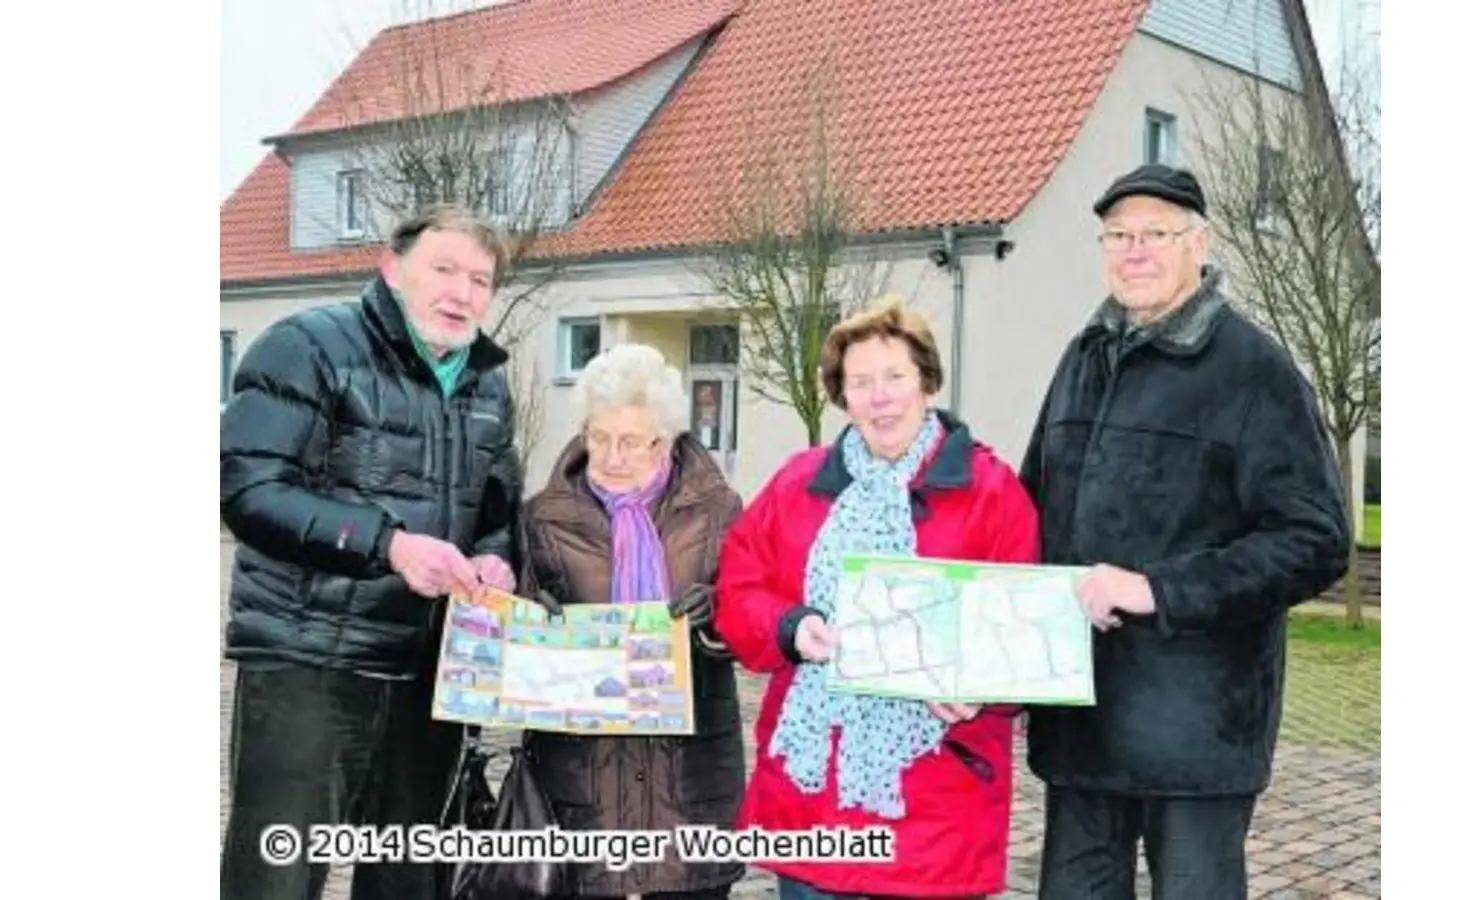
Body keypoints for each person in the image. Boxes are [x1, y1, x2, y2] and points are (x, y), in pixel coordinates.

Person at [1017, 163, 1352, 899]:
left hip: (1197, 735)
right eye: (1118, 235)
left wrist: (1157, 590)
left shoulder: (1253, 370)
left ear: (1198, 243)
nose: (1134, 250)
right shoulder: (1084, 357)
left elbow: (1315, 537)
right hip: (1082, 728)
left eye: (1155, 234)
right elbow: (1028, 513)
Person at [219, 204, 521, 900]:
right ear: (392, 269)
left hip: (432, 674)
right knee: (277, 875)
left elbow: (497, 508)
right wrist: (387, 546)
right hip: (311, 662)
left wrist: (497, 558)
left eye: (480, 279)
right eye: (443, 269)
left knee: (410, 879)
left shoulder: (487, 381)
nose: (462, 292)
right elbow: (248, 491)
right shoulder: (307, 347)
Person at [715, 295, 1041, 899]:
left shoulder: (990, 492)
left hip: (935, 796)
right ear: (843, 395)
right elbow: (738, 589)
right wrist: (790, 626)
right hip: (813, 799)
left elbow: (1024, 629)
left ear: (926, 381)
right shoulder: (797, 483)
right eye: (860, 381)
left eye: (894, 376)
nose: (879, 396)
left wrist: (980, 687)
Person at [518, 342, 747, 899]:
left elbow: (752, 618)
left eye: (630, 442)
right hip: (581, 779)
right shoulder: (543, 517)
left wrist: (718, 615)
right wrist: (529, 623)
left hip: (689, 776)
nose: (611, 456)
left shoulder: (718, 510)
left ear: (664, 442)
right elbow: (511, 629)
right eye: (598, 437)